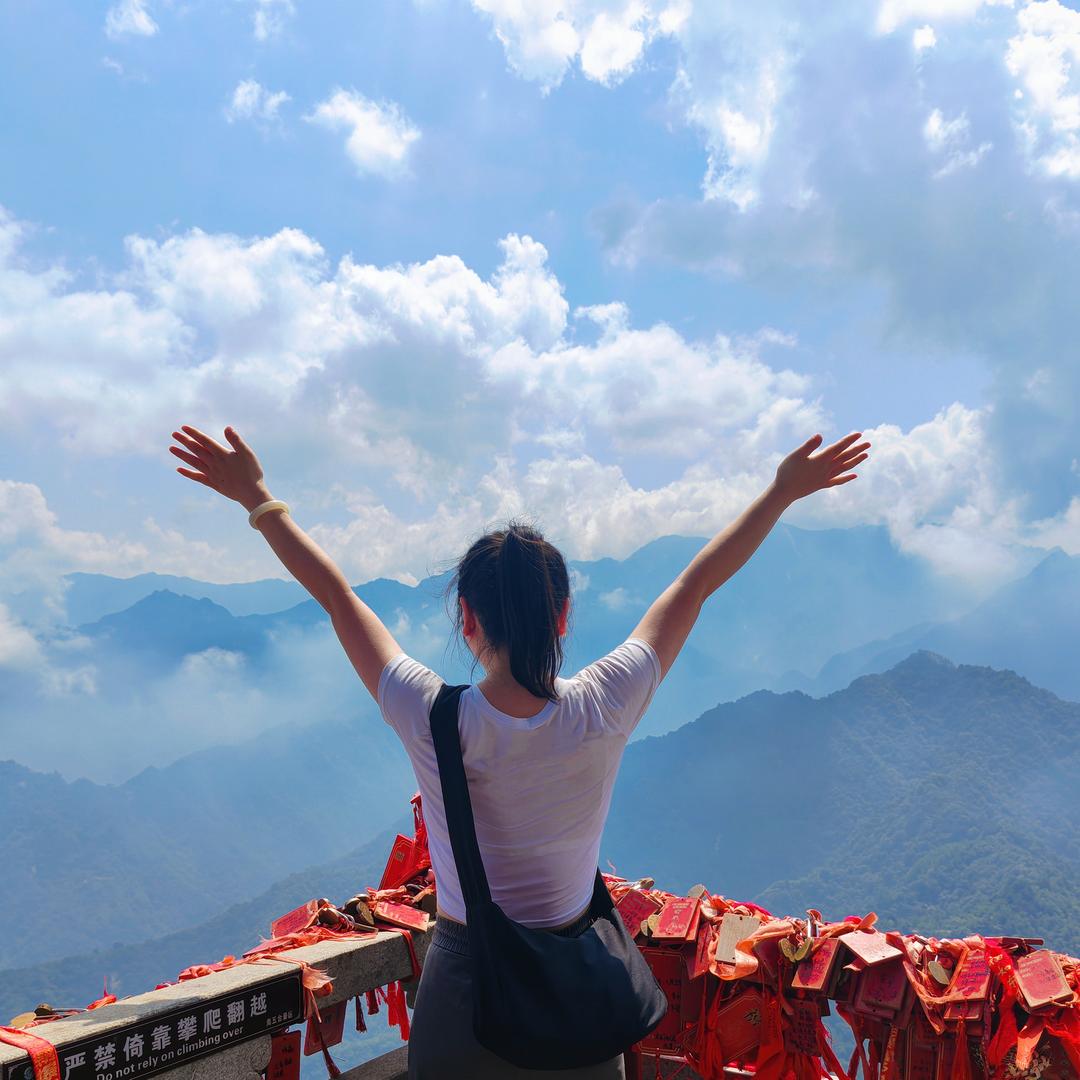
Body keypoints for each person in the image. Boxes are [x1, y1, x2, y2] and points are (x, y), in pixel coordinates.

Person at [169, 424, 870, 1078]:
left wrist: (258, 498)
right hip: (579, 997)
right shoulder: (606, 703)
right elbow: (695, 583)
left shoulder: (430, 715)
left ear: (466, 619)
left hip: (464, 995)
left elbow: (337, 595)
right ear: (563, 617)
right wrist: (781, 491)